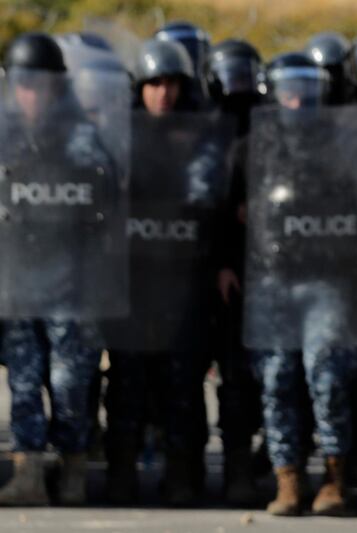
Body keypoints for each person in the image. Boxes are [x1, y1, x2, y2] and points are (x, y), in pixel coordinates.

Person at [102, 38, 230, 506]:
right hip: (134, 282)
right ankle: (120, 472)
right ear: (141, 87)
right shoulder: (119, 136)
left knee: (183, 384)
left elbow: (209, 205)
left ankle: (184, 476)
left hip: (184, 281)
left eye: (172, 83)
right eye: (154, 83)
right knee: (127, 384)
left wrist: (219, 263)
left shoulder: (201, 138)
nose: (164, 93)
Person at [245, 52, 357, 517]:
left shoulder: (339, 146)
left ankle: (335, 479)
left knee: (328, 377)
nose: (297, 100)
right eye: (287, 90)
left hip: (327, 281)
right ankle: (288, 479)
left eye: (306, 90)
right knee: (277, 380)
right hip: (273, 282)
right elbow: (227, 210)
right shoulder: (252, 146)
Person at [0, 32, 119, 506]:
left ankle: (72, 470)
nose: (31, 93)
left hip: (74, 283)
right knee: (24, 381)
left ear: (56, 87)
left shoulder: (82, 135)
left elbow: (104, 194)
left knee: (72, 383)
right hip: (18, 279)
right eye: (23, 84)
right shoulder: (4, 138)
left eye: (40, 84)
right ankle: (27, 475)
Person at [206, 37, 263, 505]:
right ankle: (233, 468)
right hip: (211, 265)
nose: (236, 85)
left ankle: (253, 467)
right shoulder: (202, 123)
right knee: (232, 378)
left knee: (255, 375)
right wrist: (223, 259)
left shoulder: (267, 124)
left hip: (263, 266)